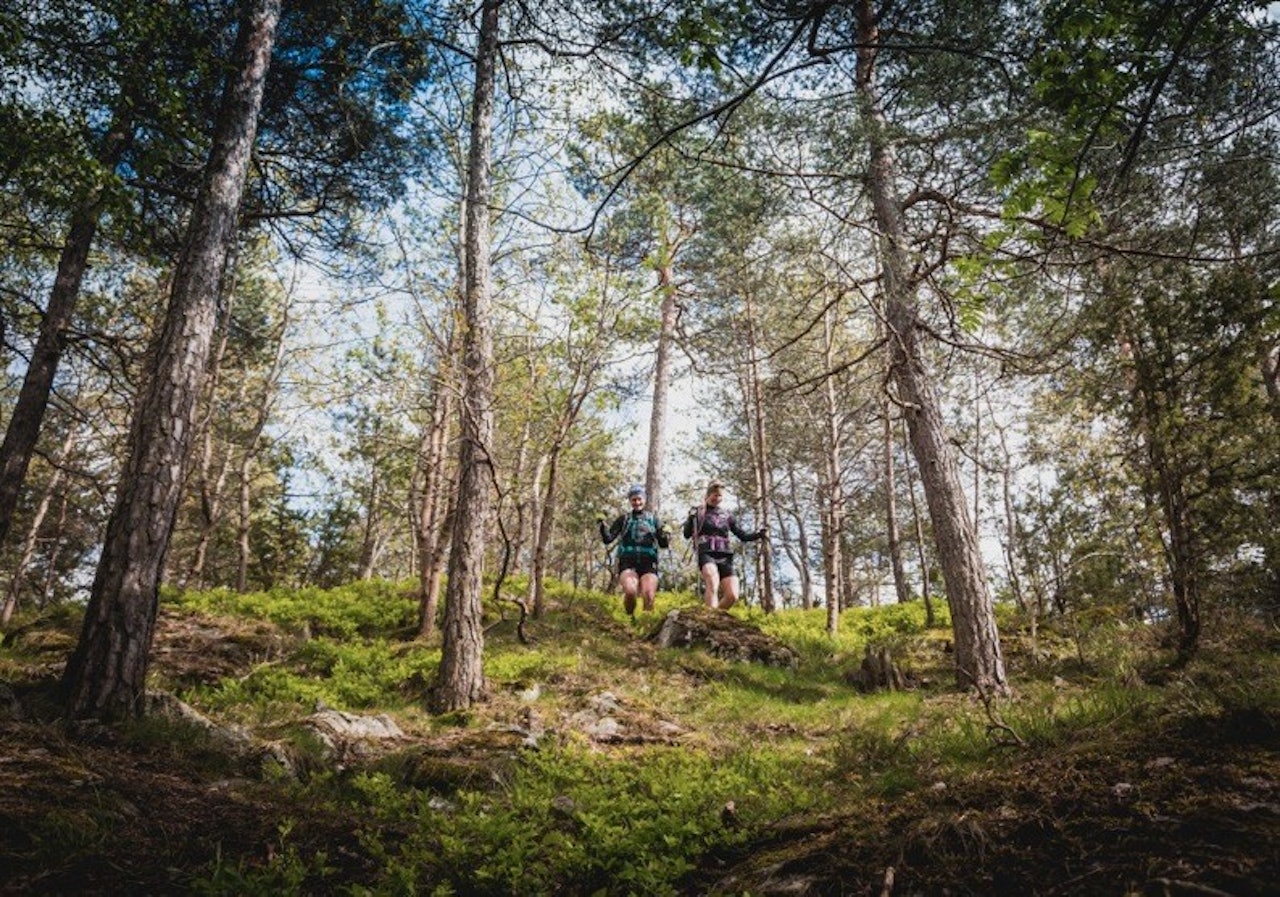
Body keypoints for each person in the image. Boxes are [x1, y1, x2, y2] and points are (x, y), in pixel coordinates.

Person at [683, 481, 765, 611]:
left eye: (720, 496)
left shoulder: (727, 515)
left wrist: (758, 535)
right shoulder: (698, 512)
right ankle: (711, 619)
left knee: (732, 595)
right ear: (708, 495)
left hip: (725, 555)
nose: (717, 498)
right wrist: (690, 519)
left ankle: (716, 616)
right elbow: (686, 534)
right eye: (714, 495)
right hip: (706, 552)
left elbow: (742, 535)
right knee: (713, 583)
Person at [598, 484, 669, 616]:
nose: (637, 502)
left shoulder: (653, 520)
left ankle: (646, 625)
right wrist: (602, 525)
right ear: (630, 501)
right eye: (634, 500)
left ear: (644, 499)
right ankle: (629, 619)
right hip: (627, 562)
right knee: (630, 592)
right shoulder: (624, 519)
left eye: (639, 499)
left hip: (648, 562)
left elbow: (663, 544)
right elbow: (608, 539)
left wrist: (666, 534)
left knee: (648, 595)